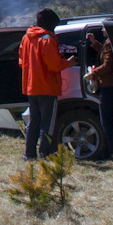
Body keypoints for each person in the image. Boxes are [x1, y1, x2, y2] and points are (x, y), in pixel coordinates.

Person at [19, 8, 74, 159]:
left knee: (33, 123)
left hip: (31, 87)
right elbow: (54, 65)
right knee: (48, 124)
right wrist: (68, 63)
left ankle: (29, 154)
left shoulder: (26, 38)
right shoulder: (47, 39)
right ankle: (46, 153)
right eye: (54, 25)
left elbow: (21, 61)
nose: (54, 29)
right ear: (49, 23)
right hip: (47, 87)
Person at [84, 27, 113, 162]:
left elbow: (107, 65)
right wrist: (94, 43)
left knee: (107, 121)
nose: (102, 30)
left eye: (104, 28)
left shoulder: (109, 43)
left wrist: (92, 74)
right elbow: (106, 54)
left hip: (108, 87)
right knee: (111, 119)